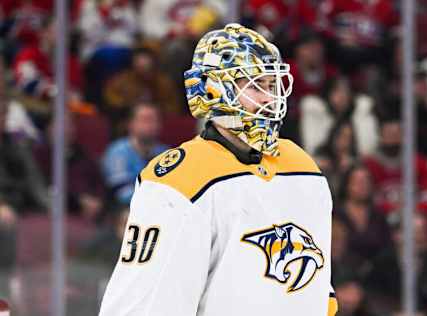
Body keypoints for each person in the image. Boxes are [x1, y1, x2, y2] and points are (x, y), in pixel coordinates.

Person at [100, 23, 337, 315]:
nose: (269, 98)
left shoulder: (303, 167)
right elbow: (146, 302)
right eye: (254, 86)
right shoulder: (179, 179)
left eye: (272, 85)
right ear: (213, 90)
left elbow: (318, 292)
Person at [102, 103, 168, 206]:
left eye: (154, 120)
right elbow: (121, 192)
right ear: (130, 124)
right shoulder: (117, 151)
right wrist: (154, 201)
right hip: (125, 209)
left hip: (162, 208)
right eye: (145, 120)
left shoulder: (166, 153)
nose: (150, 125)